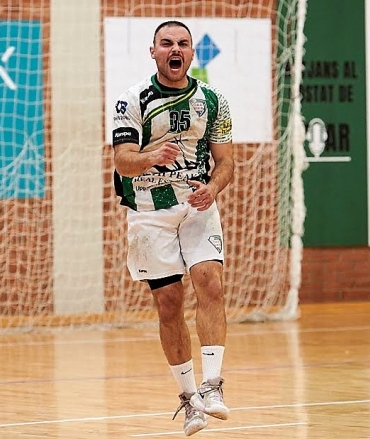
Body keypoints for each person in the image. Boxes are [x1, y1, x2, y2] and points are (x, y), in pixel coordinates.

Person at [111, 20, 234, 436]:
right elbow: (122, 161)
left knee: (210, 283)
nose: (174, 49)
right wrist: (150, 157)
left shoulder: (213, 101)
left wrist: (213, 188)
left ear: (191, 54)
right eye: (166, 43)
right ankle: (189, 401)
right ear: (154, 52)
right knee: (168, 303)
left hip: (197, 206)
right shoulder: (132, 100)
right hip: (149, 212)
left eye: (182, 44)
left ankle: (213, 385)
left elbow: (227, 163)